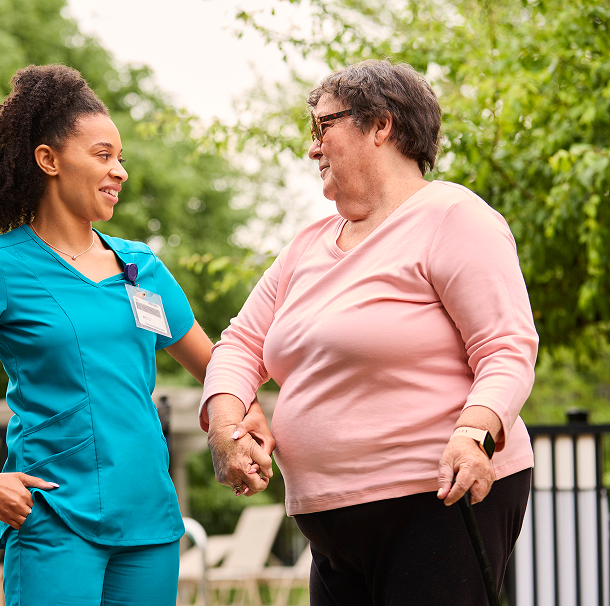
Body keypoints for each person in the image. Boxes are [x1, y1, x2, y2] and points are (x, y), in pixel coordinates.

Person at [0, 64, 273, 606]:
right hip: (54, 524)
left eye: (121, 158)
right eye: (104, 155)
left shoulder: (142, 268)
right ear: (49, 160)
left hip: (150, 525)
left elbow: (221, 369)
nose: (121, 171)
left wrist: (248, 423)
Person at [200, 59, 538, 605]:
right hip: (330, 521)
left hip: (434, 504)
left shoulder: (453, 216)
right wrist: (224, 425)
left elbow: (507, 346)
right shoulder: (306, 246)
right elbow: (240, 344)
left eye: (323, 126)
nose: (313, 148)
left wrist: (475, 433)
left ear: (380, 125)